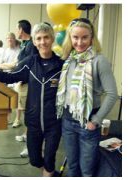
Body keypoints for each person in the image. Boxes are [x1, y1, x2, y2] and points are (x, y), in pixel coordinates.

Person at [0, 23, 63, 176]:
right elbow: (10, 76)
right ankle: (51, 173)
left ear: (52, 39)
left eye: (46, 37)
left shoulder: (61, 65)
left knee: (50, 160)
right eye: (39, 38)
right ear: (35, 41)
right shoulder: (30, 62)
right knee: (35, 160)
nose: (43, 42)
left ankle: (49, 172)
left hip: (54, 123)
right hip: (33, 122)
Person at [56, 18, 118, 177]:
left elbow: (112, 94)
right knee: (73, 165)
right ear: (70, 38)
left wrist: (96, 120)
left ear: (92, 37)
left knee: (86, 170)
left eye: (84, 37)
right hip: (68, 121)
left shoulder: (99, 60)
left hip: (88, 124)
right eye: (75, 37)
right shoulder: (69, 60)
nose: (79, 42)